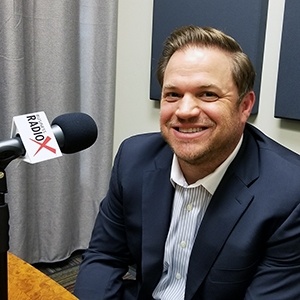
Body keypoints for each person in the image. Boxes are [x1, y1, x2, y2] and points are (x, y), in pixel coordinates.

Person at [74, 25, 300, 300]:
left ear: (244, 106)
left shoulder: (290, 193)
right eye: (173, 94)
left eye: (208, 94)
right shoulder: (133, 158)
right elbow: (104, 255)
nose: (184, 111)